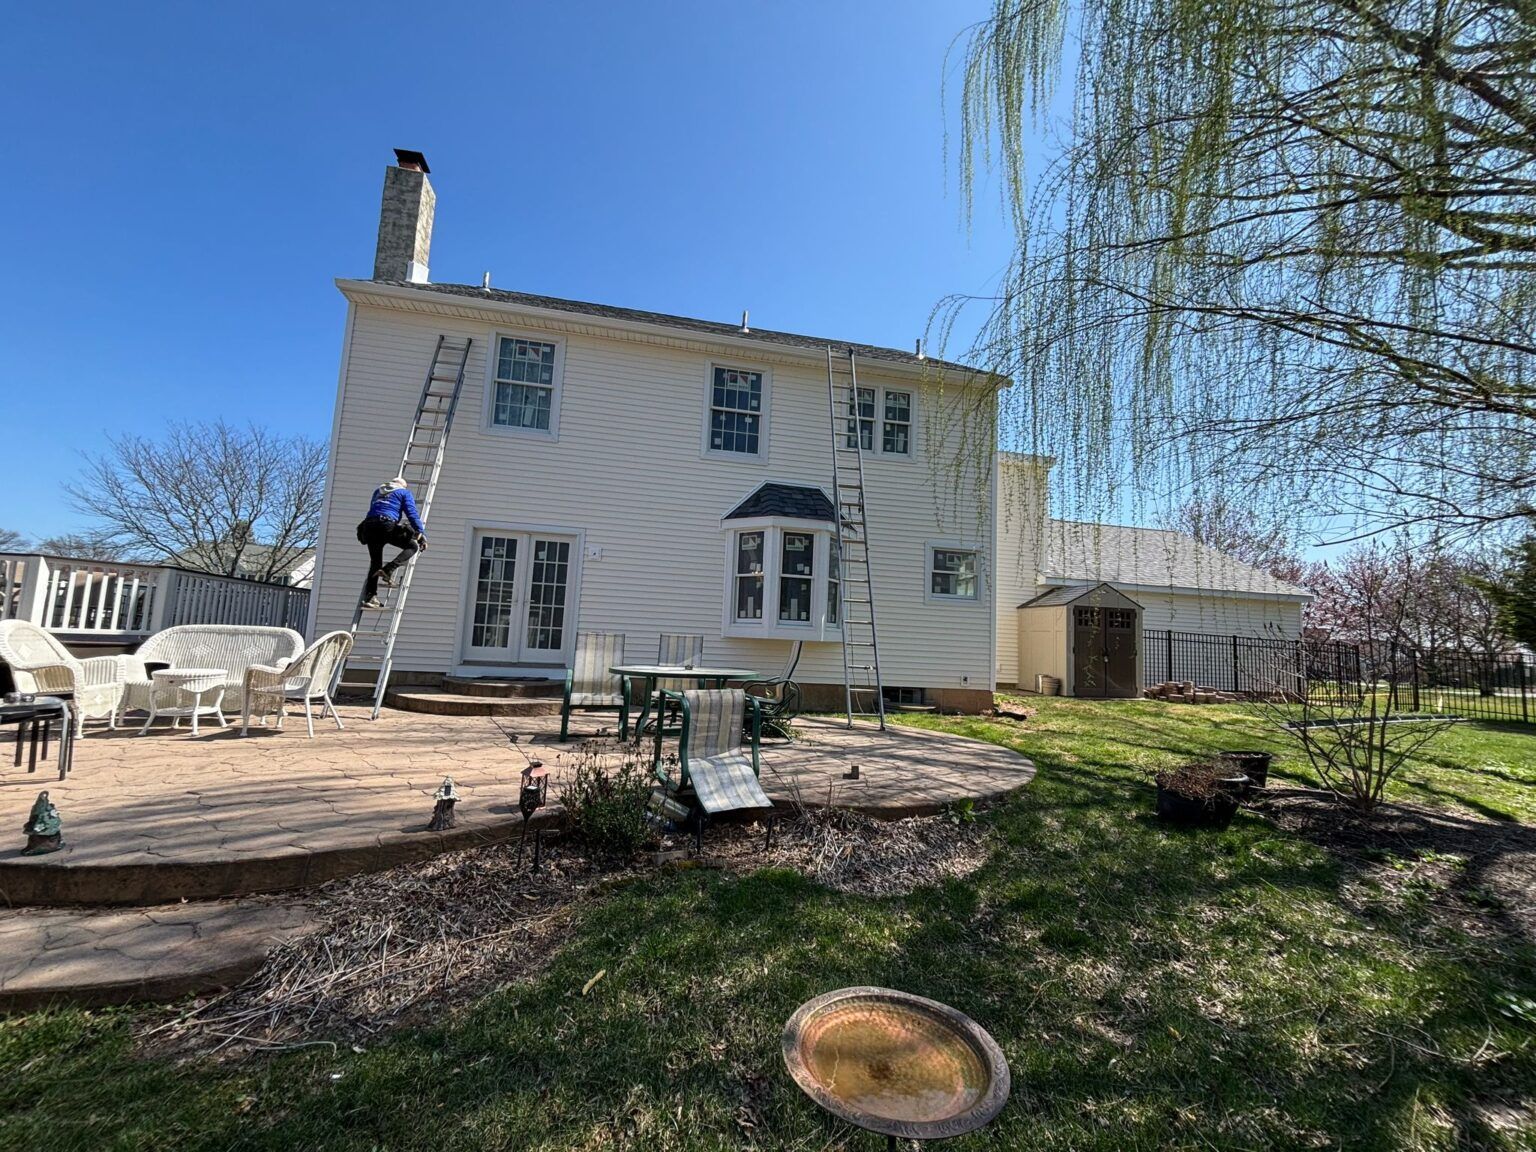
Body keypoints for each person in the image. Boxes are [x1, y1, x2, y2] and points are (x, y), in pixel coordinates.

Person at [356, 476, 428, 608]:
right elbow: (411, 513)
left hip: (369, 527)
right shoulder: (403, 492)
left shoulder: (378, 491)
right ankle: (388, 569)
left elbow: (376, 509)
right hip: (386, 524)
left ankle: (370, 597)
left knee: (375, 562)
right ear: (402, 486)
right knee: (412, 546)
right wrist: (421, 532)